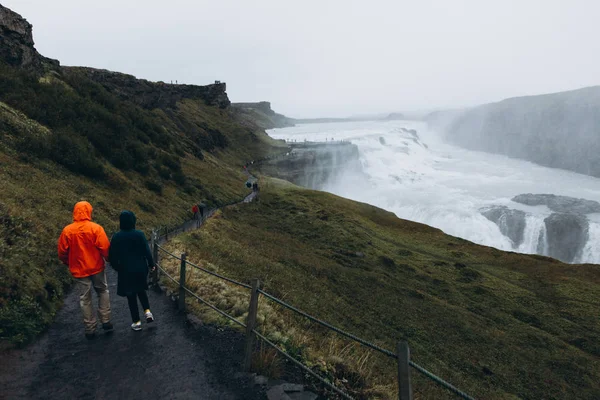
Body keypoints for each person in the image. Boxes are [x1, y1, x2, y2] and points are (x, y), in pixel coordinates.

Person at [58, 201, 112, 339]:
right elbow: (105, 247)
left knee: (85, 298)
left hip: (79, 270)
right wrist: (108, 258)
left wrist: (67, 262)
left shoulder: (67, 231)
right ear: (89, 211)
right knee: (102, 291)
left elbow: (62, 251)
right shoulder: (96, 228)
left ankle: (90, 328)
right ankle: (105, 320)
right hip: (96, 267)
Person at [109, 211, 156, 331]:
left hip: (125, 270)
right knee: (141, 290)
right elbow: (147, 251)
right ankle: (147, 312)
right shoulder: (139, 234)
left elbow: (112, 257)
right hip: (140, 268)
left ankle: (136, 322)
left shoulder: (116, 237)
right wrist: (151, 264)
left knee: (131, 295)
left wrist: (117, 268)